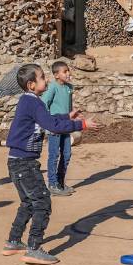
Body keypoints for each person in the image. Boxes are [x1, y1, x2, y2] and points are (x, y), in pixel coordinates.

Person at [2, 63, 97, 265]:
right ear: (31, 84)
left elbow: (47, 119)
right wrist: (81, 124)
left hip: (16, 161)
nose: (46, 80)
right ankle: (34, 249)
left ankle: (13, 241)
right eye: (42, 77)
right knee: (43, 202)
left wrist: (66, 116)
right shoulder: (33, 103)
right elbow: (52, 125)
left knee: (29, 203)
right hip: (25, 163)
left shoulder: (29, 101)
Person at [42, 60, 76, 196]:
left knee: (67, 154)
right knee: (54, 155)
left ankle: (60, 183)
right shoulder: (52, 87)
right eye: (65, 71)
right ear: (56, 75)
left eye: (68, 71)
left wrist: (73, 116)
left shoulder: (69, 87)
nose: (68, 73)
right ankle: (52, 184)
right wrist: (49, 122)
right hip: (55, 128)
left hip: (65, 126)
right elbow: (44, 103)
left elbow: (69, 107)